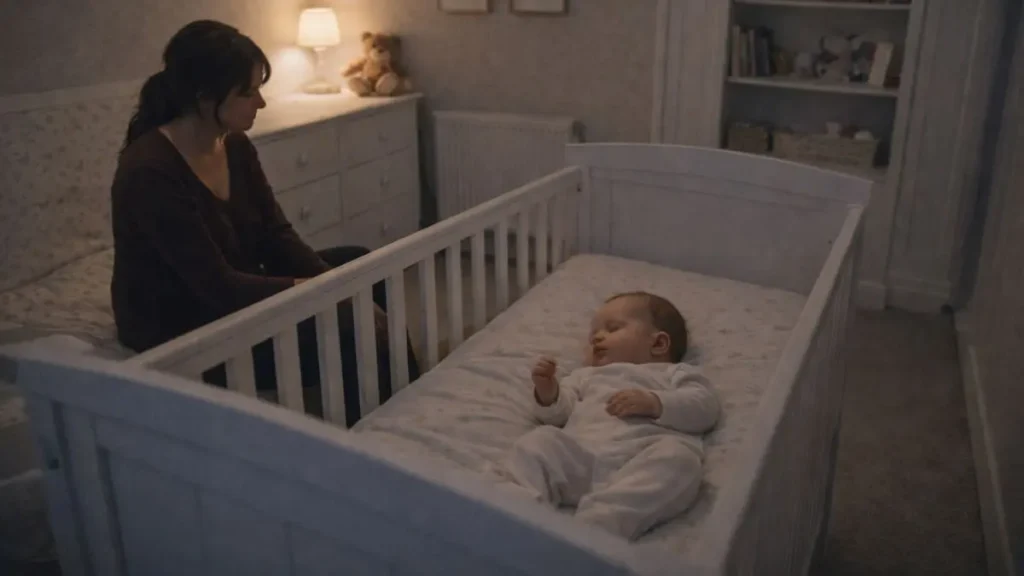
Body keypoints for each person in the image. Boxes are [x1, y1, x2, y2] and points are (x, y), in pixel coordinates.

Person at [110, 19, 419, 424]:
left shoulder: (233, 145)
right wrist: (326, 296)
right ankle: (374, 438)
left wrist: (336, 285)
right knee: (346, 325)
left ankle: (412, 409)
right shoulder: (150, 171)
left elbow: (276, 235)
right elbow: (216, 287)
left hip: (232, 289)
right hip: (182, 322)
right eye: (249, 92)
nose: (261, 103)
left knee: (364, 267)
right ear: (206, 98)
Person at [496, 291, 719, 541]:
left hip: (642, 457)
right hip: (583, 455)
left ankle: (599, 525)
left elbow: (705, 406)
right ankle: (518, 513)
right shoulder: (586, 375)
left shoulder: (673, 373)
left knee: (681, 461)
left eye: (612, 329)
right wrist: (548, 391)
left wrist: (656, 403)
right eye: (593, 337)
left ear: (658, 344)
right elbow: (559, 413)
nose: (597, 338)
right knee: (539, 441)